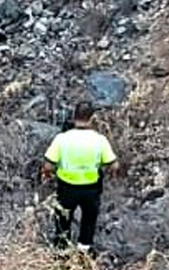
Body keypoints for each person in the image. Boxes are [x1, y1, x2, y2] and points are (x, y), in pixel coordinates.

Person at [41, 101, 119, 255]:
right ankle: (84, 251)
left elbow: (48, 165)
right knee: (89, 220)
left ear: (74, 117)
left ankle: (61, 253)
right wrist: (110, 173)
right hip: (91, 189)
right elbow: (114, 165)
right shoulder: (100, 140)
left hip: (66, 188)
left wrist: (48, 175)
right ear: (92, 118)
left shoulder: (61, 139)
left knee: (63, 221)